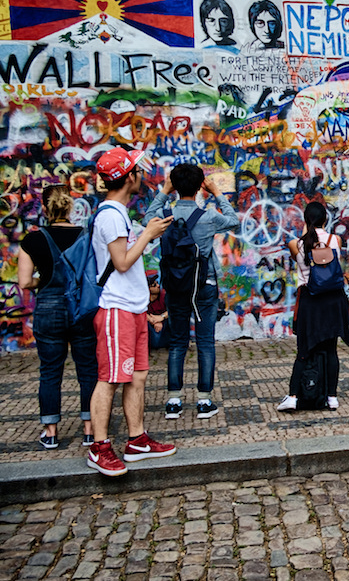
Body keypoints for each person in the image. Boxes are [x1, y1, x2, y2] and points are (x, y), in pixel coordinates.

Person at [88, 147, 176, 476]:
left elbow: (125, 254)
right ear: (129, 178)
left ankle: (137, 440)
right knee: (110, 379)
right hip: (117, 310)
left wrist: (144, 233)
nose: (141, 175)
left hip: (134, 309)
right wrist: (149, 235)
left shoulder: (119, 213)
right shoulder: (111, 215)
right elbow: (122, 262)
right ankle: (99, 447)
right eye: (137, 170)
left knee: (136, 377)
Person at [145, 164, 239, 419]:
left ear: (175, 186)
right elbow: (233, 221)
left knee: (177, 342)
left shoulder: (164, 216)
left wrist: (164, 191)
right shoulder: (208, 216)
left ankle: (173, 401)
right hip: (204, 286)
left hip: (175, 288)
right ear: (200, 186)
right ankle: (204, 401)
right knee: (205, 342)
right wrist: (217, 192)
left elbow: (145, 221)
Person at [17, 184, 98, 450]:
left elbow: (24, 282)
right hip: (80, 309)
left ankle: (51, 432)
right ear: (71, 207)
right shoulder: (85, 236)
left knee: (50, 371)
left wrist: (44, 279)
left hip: (49, 308)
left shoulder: (32, 239)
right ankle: (89, 429)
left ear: (44, 208)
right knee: (87, 370)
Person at [277, 201, 349, 412]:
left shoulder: (297, 244)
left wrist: (306, 229)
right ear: (325, 219)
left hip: (310, 300)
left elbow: (297, 259)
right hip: (333, 300)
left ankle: (293, 396)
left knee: (304, 350)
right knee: (331, 350)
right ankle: (332, 397)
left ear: (305, 219)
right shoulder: (335, 239)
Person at [146, 272, 170, 350]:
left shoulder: (164, 296)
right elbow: (139, 311)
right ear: (149, 288)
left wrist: (161, 317)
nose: (158, 286)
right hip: (151, 325)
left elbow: (172, 310)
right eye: (154, 285)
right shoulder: (143, 299)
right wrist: (152, 320)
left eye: (157, 283)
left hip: (164, 326)